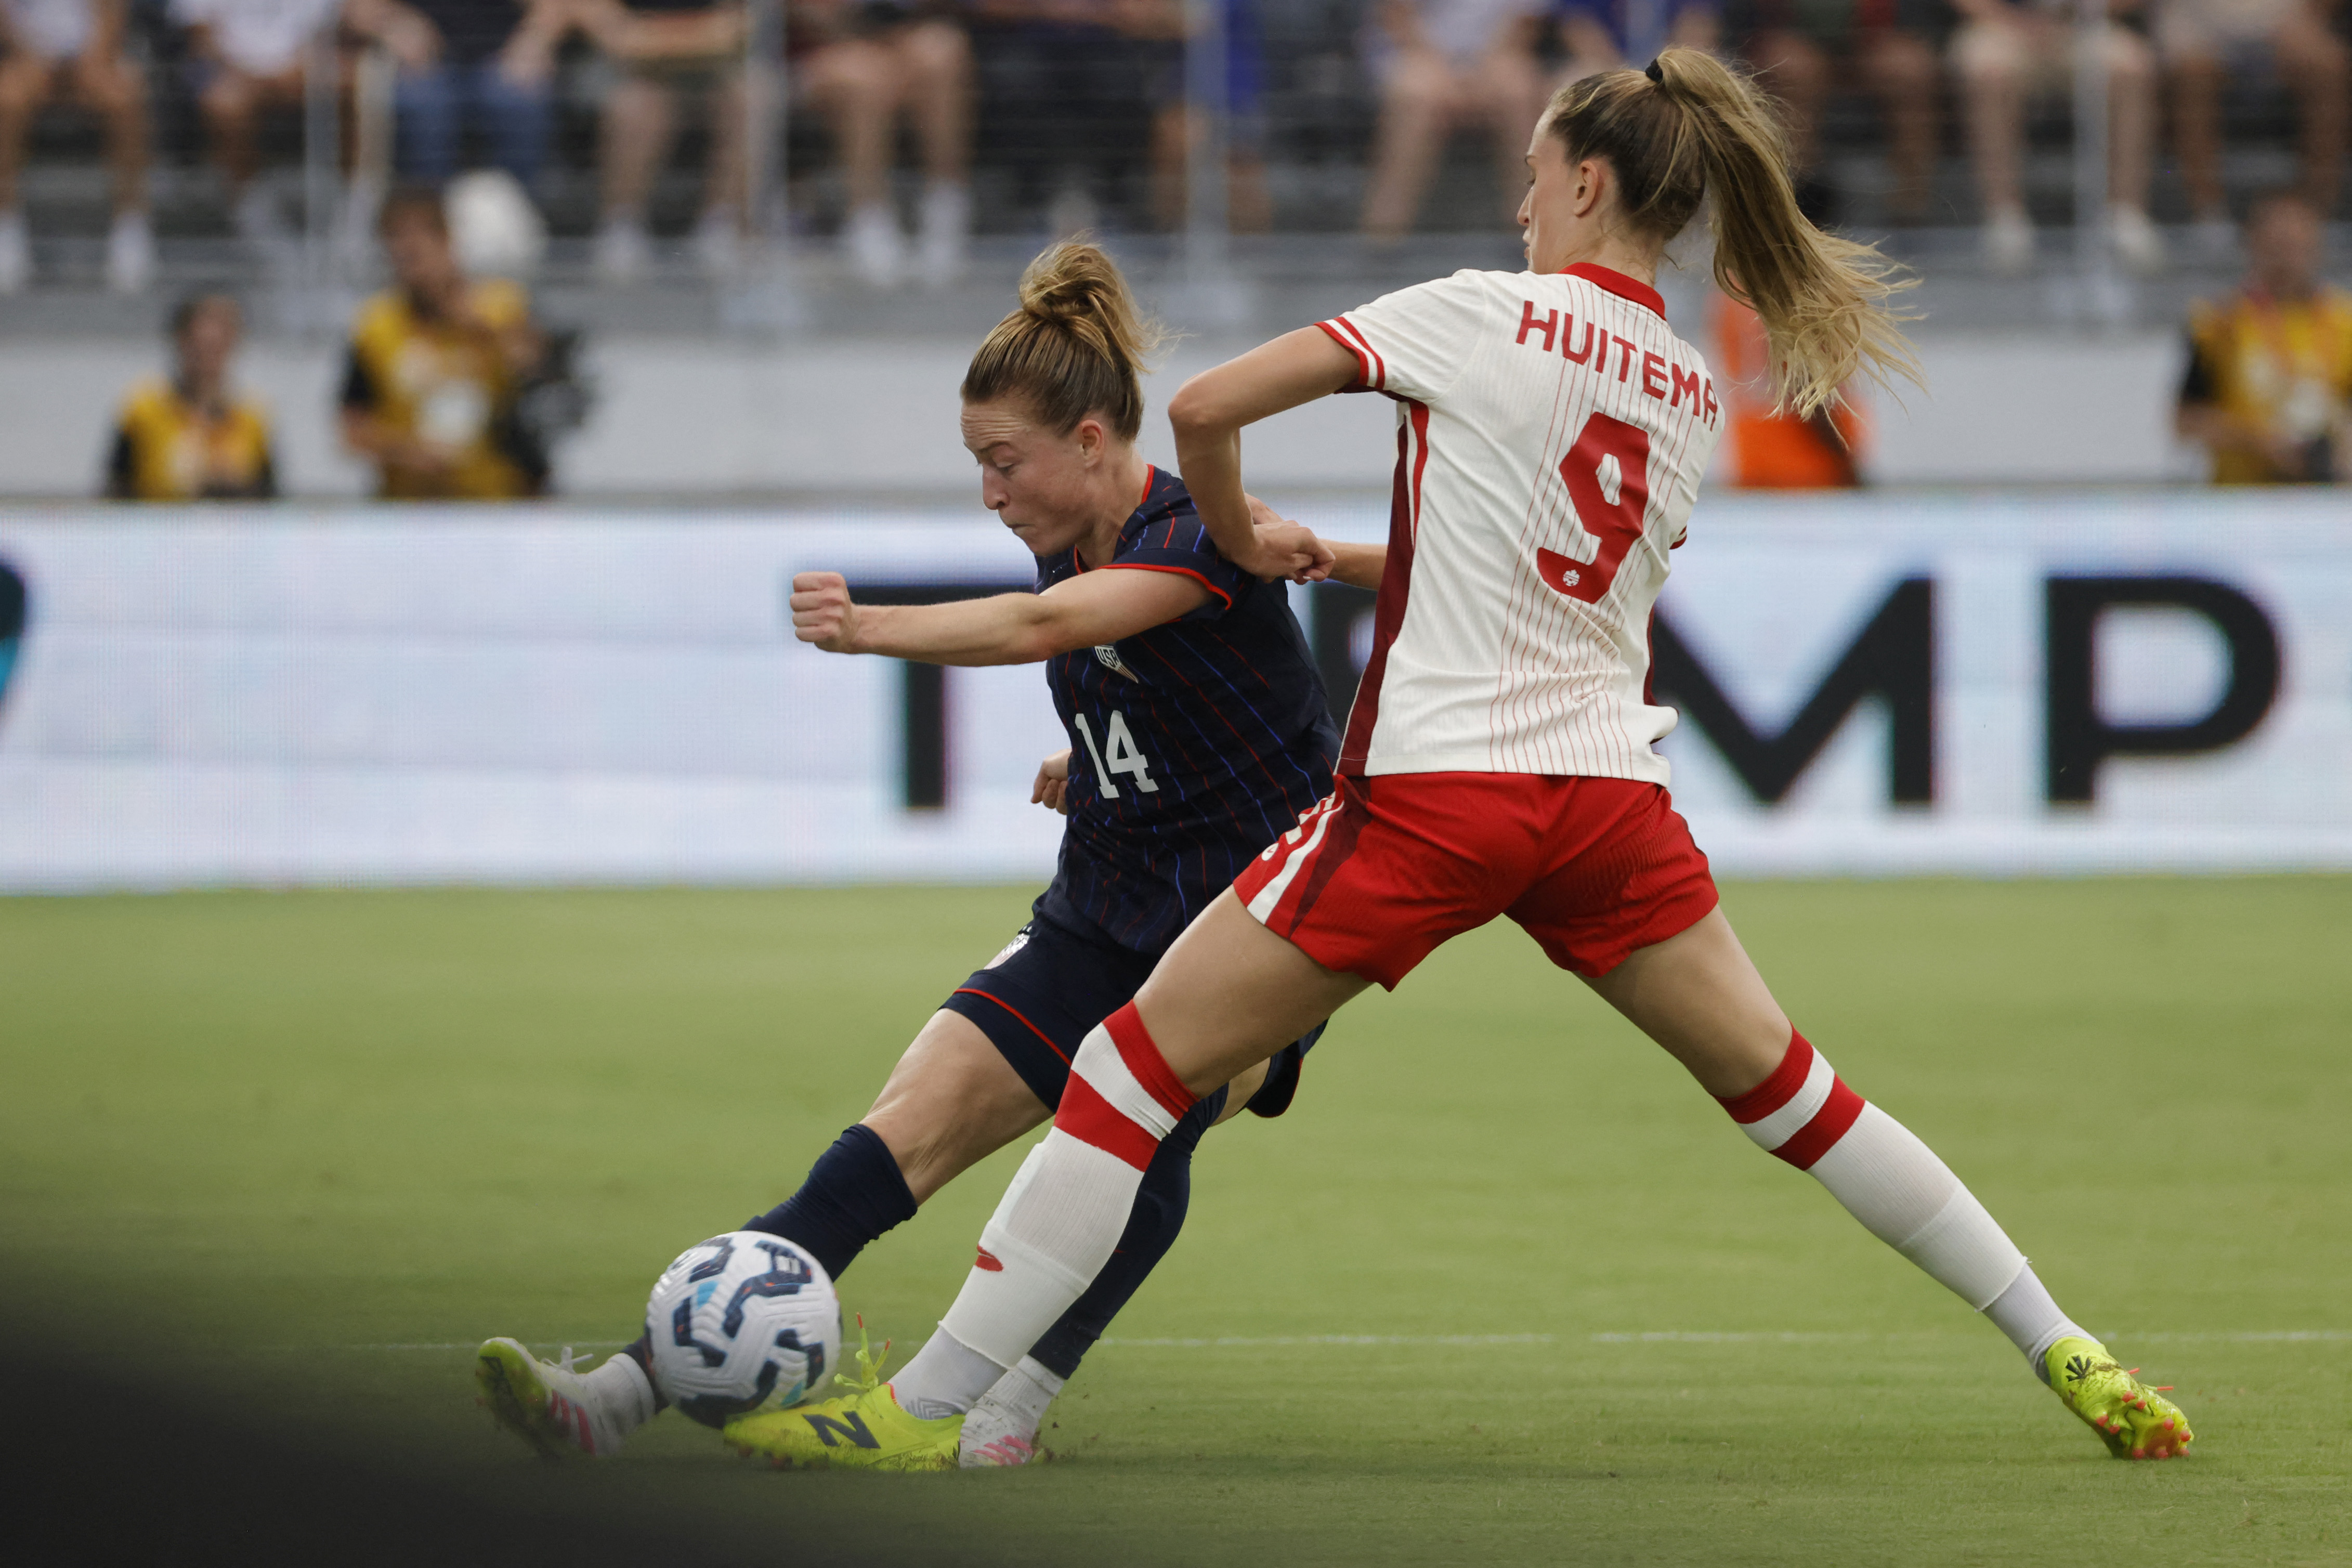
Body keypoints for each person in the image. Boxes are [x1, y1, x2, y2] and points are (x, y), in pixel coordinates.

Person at [730, 47, 2197, 1471]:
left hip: (1439, 795)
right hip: (1605, 798)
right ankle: (2058, 1338)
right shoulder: (1685, 388)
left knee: (1123, 1070)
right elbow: (1576, 578)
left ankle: (920, 1411)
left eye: (1528, 175)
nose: (1517, 206)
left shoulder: (1478, 312)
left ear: (1586, 178)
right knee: (1793, 1094)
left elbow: (1199, 407)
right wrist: (1354, 554)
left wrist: (1237, 536)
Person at [471, 242, 1341, 1470]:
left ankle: (1005, 1406)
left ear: (1092, 440)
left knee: (1140, 1119)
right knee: (905, 1123)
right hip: (1106, 892)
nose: (991, 492)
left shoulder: (1195, 532)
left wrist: (864, 625)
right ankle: (617, 1394)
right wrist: (1098, 757)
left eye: (1003, 461)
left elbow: (1047, 627)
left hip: (1258, 922)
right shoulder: (1073, 527)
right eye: (977, 464)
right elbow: (1165, 686)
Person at [340, 184, 547, 499]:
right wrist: (408, 451)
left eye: (419, 247)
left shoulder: (501, 307)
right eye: (397, 247)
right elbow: (352, 427)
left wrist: (486, 331)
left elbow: (540, 373)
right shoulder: (376, 326)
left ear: (448, 241)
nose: (408, 257)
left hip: (496, 502)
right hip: (409, 507)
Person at [1951, 0, 2160, 275]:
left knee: (2132, 68)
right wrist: (2015, 21)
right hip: (2002, 24)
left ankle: (2126, 215)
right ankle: (2004, 219)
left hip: (2086, 26)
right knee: (1988, 72)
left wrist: (2080, 14)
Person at [577, 0, 765, 281]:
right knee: (637, 106)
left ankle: (723, 226)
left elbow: (740, 27)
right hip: (629, 74)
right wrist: (704, 37)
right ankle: (621, 227)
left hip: (715, 70)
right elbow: (619, 39)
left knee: (754, 98)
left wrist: (654, 40)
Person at [790, 0, 973, 285]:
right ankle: (870, 221)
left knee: (941, 51)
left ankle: (945, 209)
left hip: (895, 38)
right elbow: (816, 19)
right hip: (820, 52)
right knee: (865, 78)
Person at [2176, 191, 2352, 484]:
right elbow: (2186, 420)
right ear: (2253, 244)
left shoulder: (2344, 322)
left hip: (2325, 500)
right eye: (2278, 246)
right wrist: (2256, 440)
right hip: (2242, 503)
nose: (2288, 259)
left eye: (2297, 246)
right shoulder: (2220, 323)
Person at [1721, 0, 1940, 225]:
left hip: (1877, 34)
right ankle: (1797, 205)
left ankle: (1911, 206)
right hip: (1793, 34)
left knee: (1909, 69)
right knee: (1791, 69)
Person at [1359, 0, 1549, 242]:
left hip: (1500, 55)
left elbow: (1524, 24)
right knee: (1418, 97)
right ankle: (1382, 239)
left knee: (1520, 93)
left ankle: (1531, 240)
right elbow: (1398, 16)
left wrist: (1476, 77)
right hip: (1415, 52)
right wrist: (1447, 76)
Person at [2158, 0, 2345, 242]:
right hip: (2198, 24)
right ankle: (2209, 215)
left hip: (2281, 21)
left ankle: (2316, 214)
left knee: (2327, 66)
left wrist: (2308, 15)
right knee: (2191, 73)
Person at [0, 0, 151, 293]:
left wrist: (90, 61)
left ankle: (130, 223)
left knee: (126, 99)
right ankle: (6, 222)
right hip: (30, 61)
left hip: (93, 60)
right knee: (7, 100)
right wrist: (32, 58)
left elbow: (113, 14)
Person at [342, 0, 571, 193]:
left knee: (519, 104)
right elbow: (358, 8)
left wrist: (534, 39)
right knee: (423, 106)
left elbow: (555, 6)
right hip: (425, 65)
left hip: (503, 62)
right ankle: (430, 219)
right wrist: (394, 25)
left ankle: (515, 217)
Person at [171, 0, 338, 247]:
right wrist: (248, 72)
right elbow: (200, 36)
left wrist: (289, 68)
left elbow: (324, 31)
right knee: (223, 106)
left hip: (300, 68)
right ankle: (253, 217)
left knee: (361, 88)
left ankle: (353, 216)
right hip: (232, 71)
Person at [104, 292, 278, 500]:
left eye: (218, 347)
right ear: (181, 341)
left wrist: (232, 487)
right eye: (201, 346)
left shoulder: (253, 417)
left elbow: (271, 498)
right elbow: (115, 491)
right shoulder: (144, 411)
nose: (208, 359)